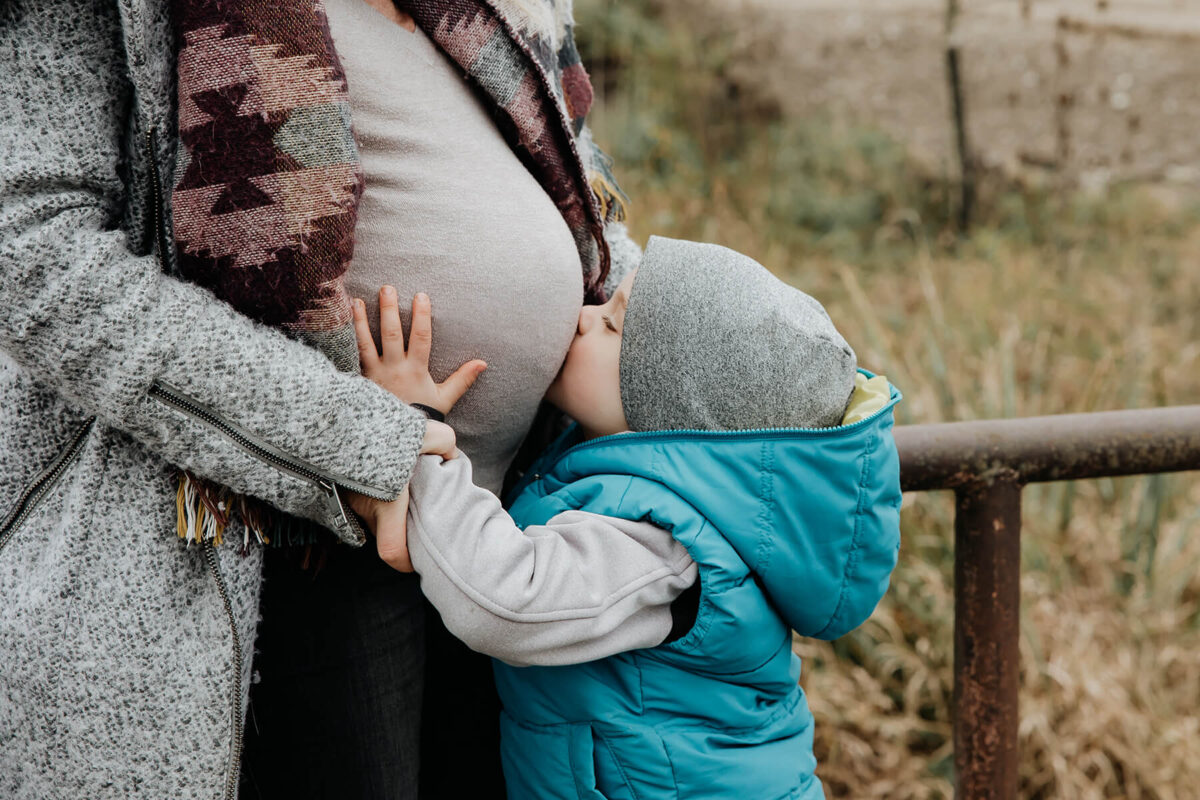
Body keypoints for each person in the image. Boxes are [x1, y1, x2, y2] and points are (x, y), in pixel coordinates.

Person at [0, 0, 638, 797]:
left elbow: (573, 176)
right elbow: (30, 254)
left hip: (515, 511)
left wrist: (695, 375)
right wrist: (356, 445)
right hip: (285, 539)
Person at [351, 236, 904, 799]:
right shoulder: (653, 492)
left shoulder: (663, 544)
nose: (585, 318)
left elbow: (507, 601)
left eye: (613, 326)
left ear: (666, 413)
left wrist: (410, 435)